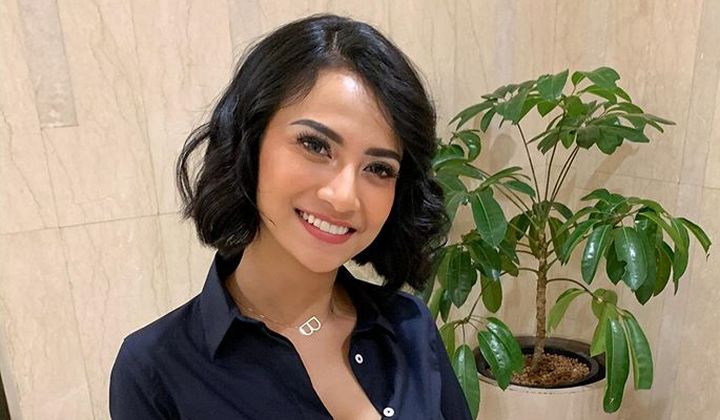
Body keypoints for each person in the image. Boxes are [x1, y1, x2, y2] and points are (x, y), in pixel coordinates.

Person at [109, 13, 472, 420]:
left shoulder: (410, 326)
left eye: (379, 168)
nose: (344, 197)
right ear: (249, 143)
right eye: (315, 145)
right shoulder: (155, 369)